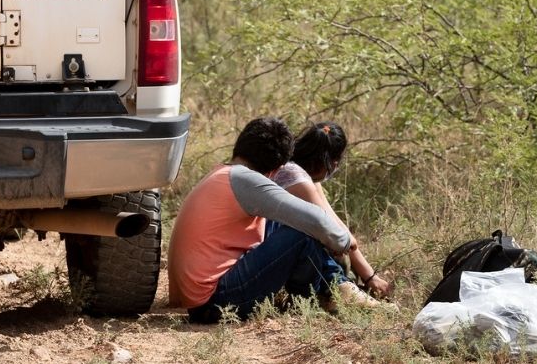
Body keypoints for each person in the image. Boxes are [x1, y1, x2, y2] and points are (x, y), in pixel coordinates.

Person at [167, 116, 386, 323]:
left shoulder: (223, 173)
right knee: (301, 234)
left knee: (285, 223)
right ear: (275, 169)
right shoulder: (247, 180)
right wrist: (344, 242)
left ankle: (328, 290)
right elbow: (316, 221)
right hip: (215, 302)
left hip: (202, 299)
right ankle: (323, 294)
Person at [272, 122, 393, 299]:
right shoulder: (296, 179)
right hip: (280, 254)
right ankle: (337, 291)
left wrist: (371, 277)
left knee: (339, 250)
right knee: (328, 248)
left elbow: (335, 221)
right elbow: (332, 230)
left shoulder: (300, 173)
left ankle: (347, 286)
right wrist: (370, 277)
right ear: (332, 161)